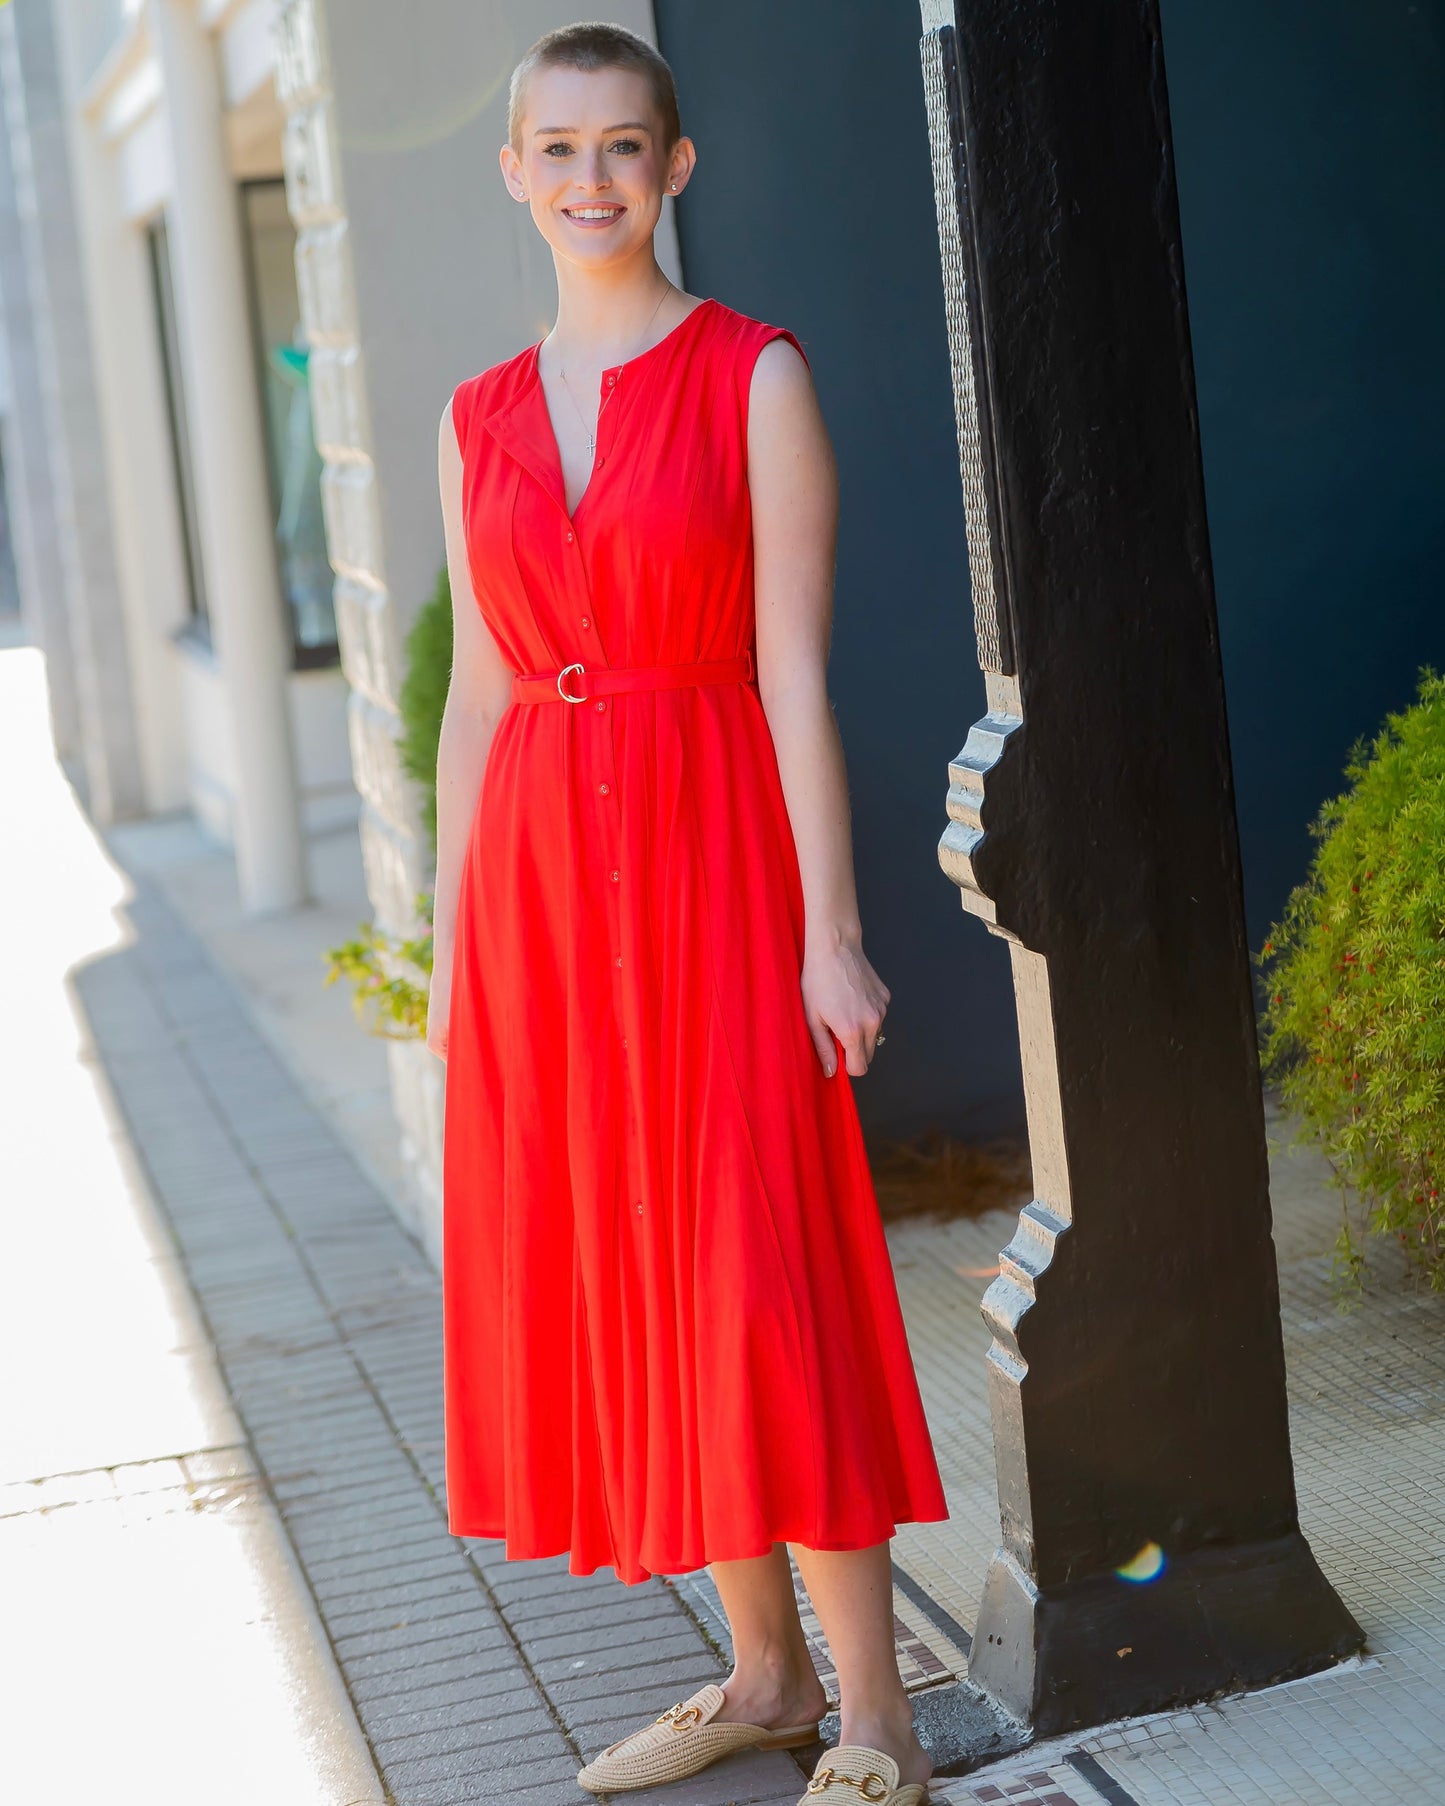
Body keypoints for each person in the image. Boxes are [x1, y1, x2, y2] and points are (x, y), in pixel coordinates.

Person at [430, 23, 947, 1805]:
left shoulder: (751, 373)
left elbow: (793, 676)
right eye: (555, 150)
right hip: (545, 900)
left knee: (753, 1262)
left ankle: (877, 1710)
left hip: (717, 857)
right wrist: (452, 958)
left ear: (676, 168)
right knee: (643, 1268)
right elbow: (475, 703)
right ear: (512, 171)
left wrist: (832, 926)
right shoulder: (474, 415)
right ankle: (757, 1675)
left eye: (622, 148)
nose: (589, 180)